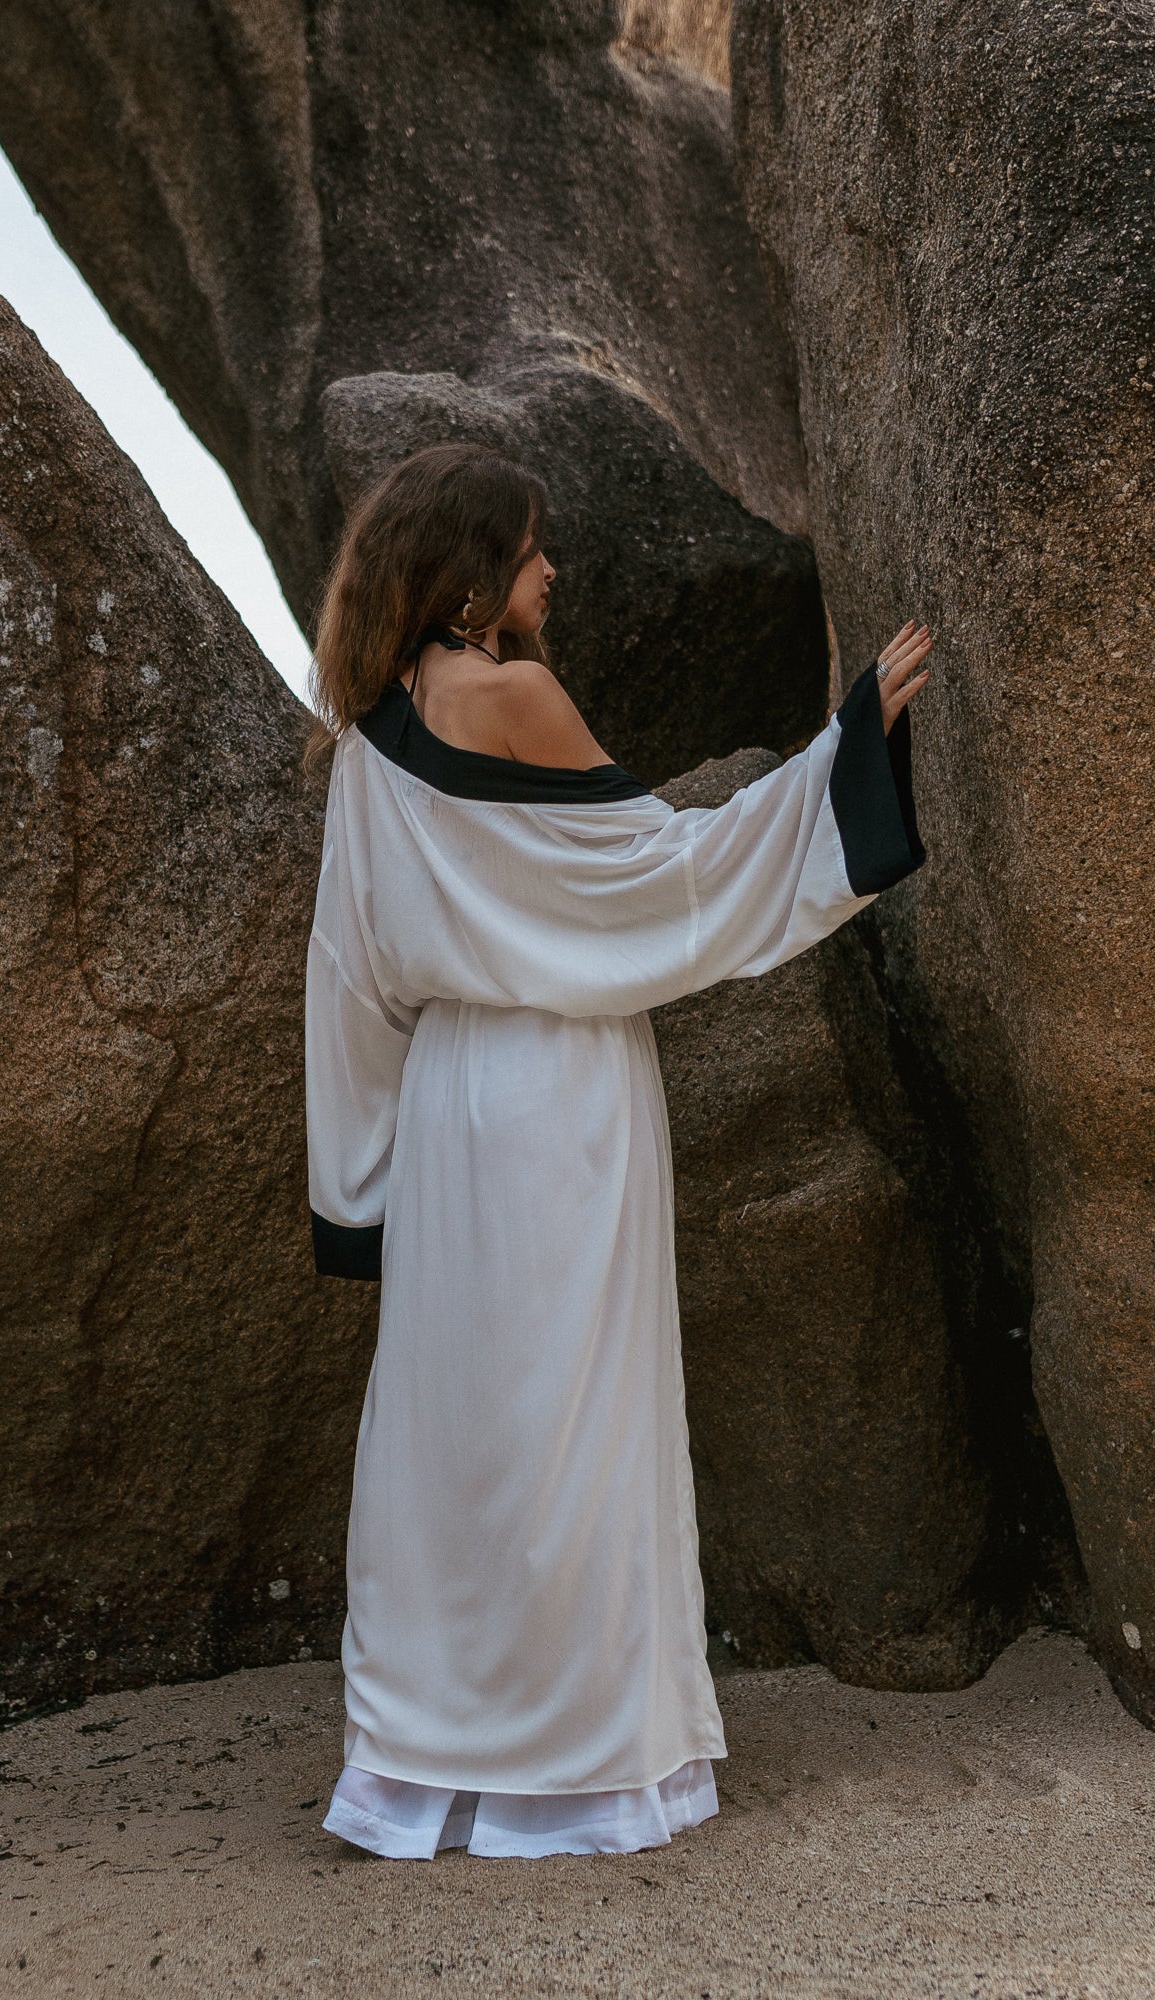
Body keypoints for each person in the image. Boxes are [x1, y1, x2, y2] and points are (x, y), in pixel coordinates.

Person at [301, 443, 932, 1860]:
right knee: (574, 1419)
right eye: (529, 548)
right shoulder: (514, 691)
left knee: (455, 1430)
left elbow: (345, 975)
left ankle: (419, 1771)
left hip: (451, 1098)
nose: (550, 572)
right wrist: (847, 757)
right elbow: (670, 873)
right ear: (468, 568)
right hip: (562, 1092)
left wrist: (354, 1195)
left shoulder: (370, 731)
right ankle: (582, 1775)